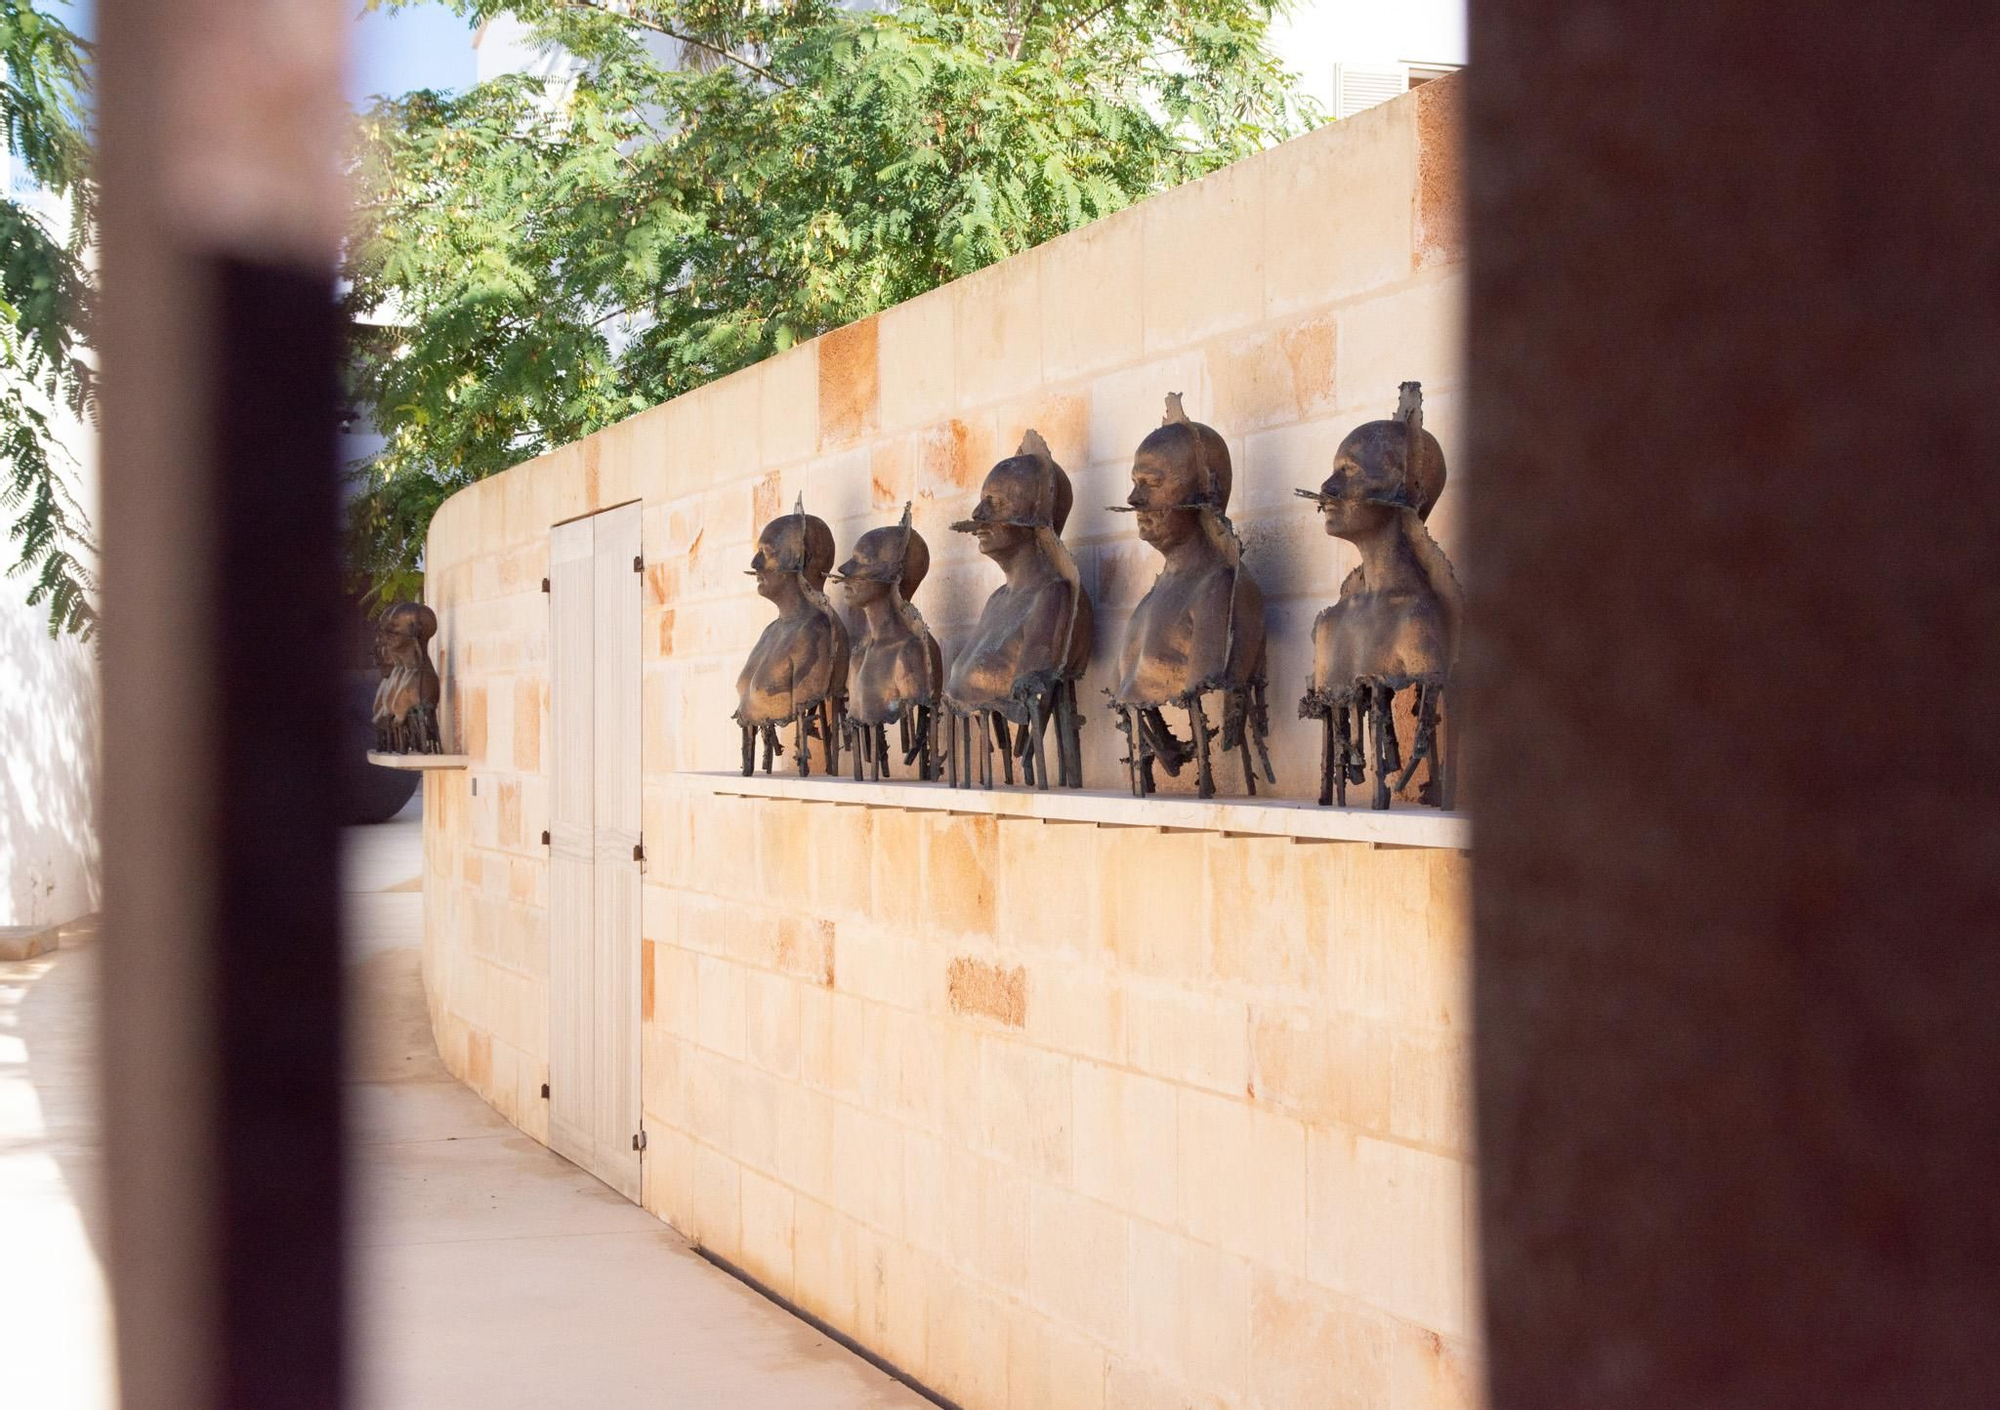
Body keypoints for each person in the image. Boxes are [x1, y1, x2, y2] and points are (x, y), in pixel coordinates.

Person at [1296, 382, 1463, 808]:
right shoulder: (1334, 619)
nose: (1327, 488)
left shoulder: (1417, 617)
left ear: (1400, 491)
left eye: (1349, 472)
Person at [1109, 394, 1272, 798]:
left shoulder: (1218, 587)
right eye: (1135, 483)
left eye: (1152, 484)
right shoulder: (1157, 594)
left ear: (1204, 492)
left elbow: (1206, 676)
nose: (1134, 500)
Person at [942, 430, 1092, 789]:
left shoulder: (1052, 597)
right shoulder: (998, 600)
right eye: (982, 502)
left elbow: (1033, 684)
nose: (978, 515)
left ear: (1032, 515)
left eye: (995, 503)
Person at [733, 498, 849, 776]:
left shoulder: (817, 631)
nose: (755, 563)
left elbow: (807, 697)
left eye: (767, 552)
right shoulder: (773, 630)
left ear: (798, 561)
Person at [833, 505, 943, 780]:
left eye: (863, 561)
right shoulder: (860, 654)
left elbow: (922, 704)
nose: (845, 570)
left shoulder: (910, 651)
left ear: (894, 574)